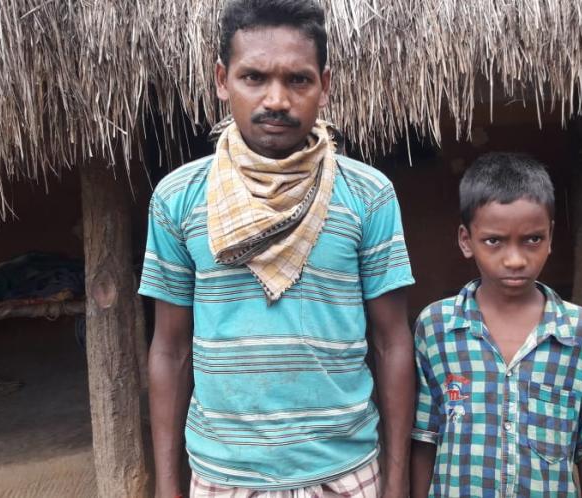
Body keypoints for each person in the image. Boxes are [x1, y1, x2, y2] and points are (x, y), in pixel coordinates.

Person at [139, 1, 415, 496]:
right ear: (223, 80)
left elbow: (392, 342)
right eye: (254, 77)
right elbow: (170, 348)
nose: (276, 99)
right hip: (223, 476)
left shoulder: (368, 196)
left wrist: (395, 482)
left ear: (324, 85)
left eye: (298, 80)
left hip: (346, 473)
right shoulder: (177, 199)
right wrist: (167, 484)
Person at [409, 153, 582, 497]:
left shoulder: (580, 332)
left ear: (550, 236)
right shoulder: (436, 328)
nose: (515, 259)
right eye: (494, 241)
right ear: (466, 240)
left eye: (532, 240)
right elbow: (424, 437)